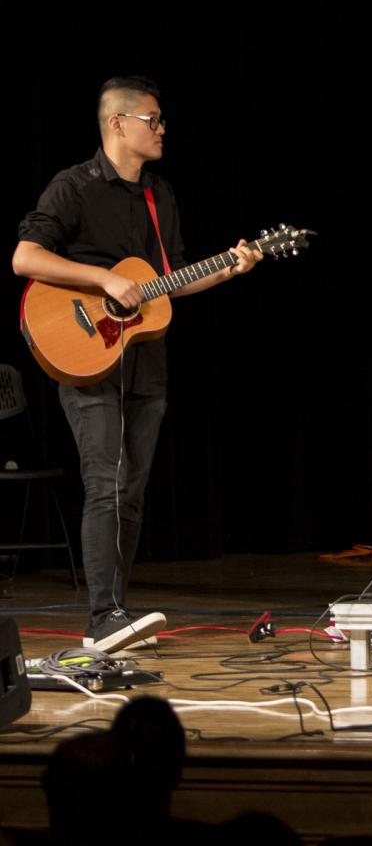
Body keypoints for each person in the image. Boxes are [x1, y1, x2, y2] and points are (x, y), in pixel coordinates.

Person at [12, 76, 262, 655]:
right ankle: (102, 616)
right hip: (85, 356)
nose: (162, 129)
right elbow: (25, 256)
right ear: (117, 124)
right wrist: (103, 278)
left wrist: (230, 266)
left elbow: (169, 281)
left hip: (145, 362)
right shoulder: (72, 187)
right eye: (153, 119)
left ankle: (116, 616)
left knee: (131, 491)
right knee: (103, 484)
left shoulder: (160, 196)